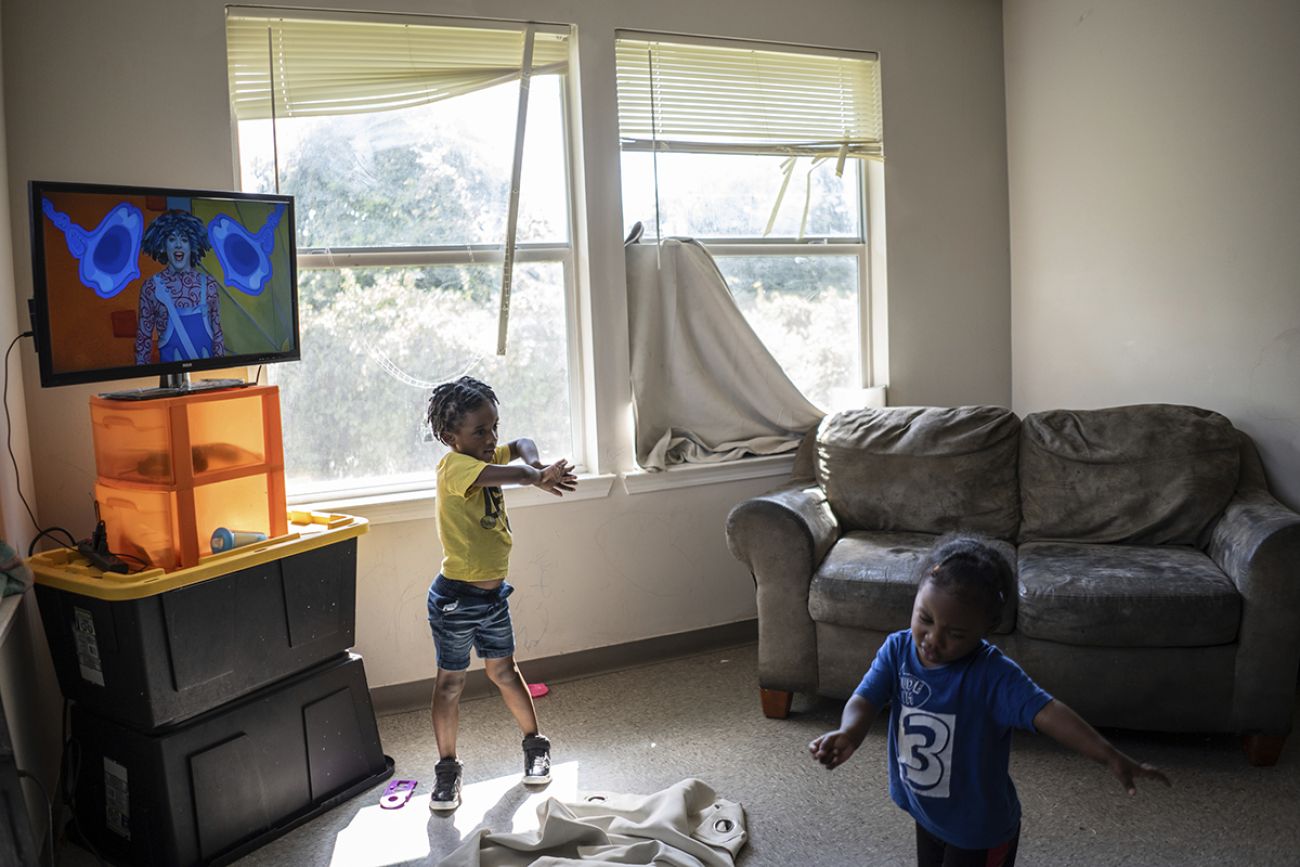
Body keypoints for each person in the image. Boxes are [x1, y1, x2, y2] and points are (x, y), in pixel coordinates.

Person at [809, 534, 1171, 866]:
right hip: (926, 811)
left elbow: (1050, 713)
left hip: (978, 831)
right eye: (925, 618)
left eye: (955, 634)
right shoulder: (898, 649)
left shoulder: (994, 675)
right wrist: (850, 732)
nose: (933, 639)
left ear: (986, 628)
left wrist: (1107, 754)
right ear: (917, 596)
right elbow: (865, 697)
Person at [425, 375, 577, 812]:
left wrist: (538, 465)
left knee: (505, 673)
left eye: (494, 427)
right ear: (451, 437)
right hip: (455, 599)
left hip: (492, 599)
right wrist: (536, 476)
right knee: (450, 684)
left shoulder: (484, 450)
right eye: (480, 431)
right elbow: (511, 473)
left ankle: (535, 745)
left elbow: (524, 443)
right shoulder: (456, 466)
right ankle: (447, 771)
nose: (492, 438)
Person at [134, 210, 225, 364]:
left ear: (192, 245)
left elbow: (218, 337)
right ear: (163, 245)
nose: (178, 245)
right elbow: (143, 342)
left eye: (184, 239)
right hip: (168, 381)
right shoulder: (151, 288)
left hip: (209, 381)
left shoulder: (209, 285)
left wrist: (224, 377)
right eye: (171, 239)